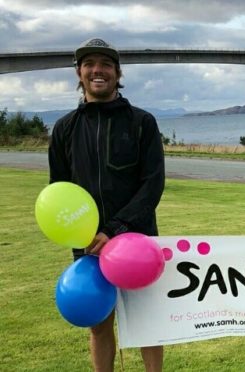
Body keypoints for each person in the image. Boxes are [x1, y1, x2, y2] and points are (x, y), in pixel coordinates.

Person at [48, 37, 166, 372]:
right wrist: (82, 234)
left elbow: (152, 185)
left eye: (105, 65)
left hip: (138, 241)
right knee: (99, 323)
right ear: (79, 73)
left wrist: (115, 228)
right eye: (89, 64)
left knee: (147, 323)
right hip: (87, 245)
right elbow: (59, 191)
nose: (97, 71)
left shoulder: (141, 122)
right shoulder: (64, 129)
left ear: (117, 73)